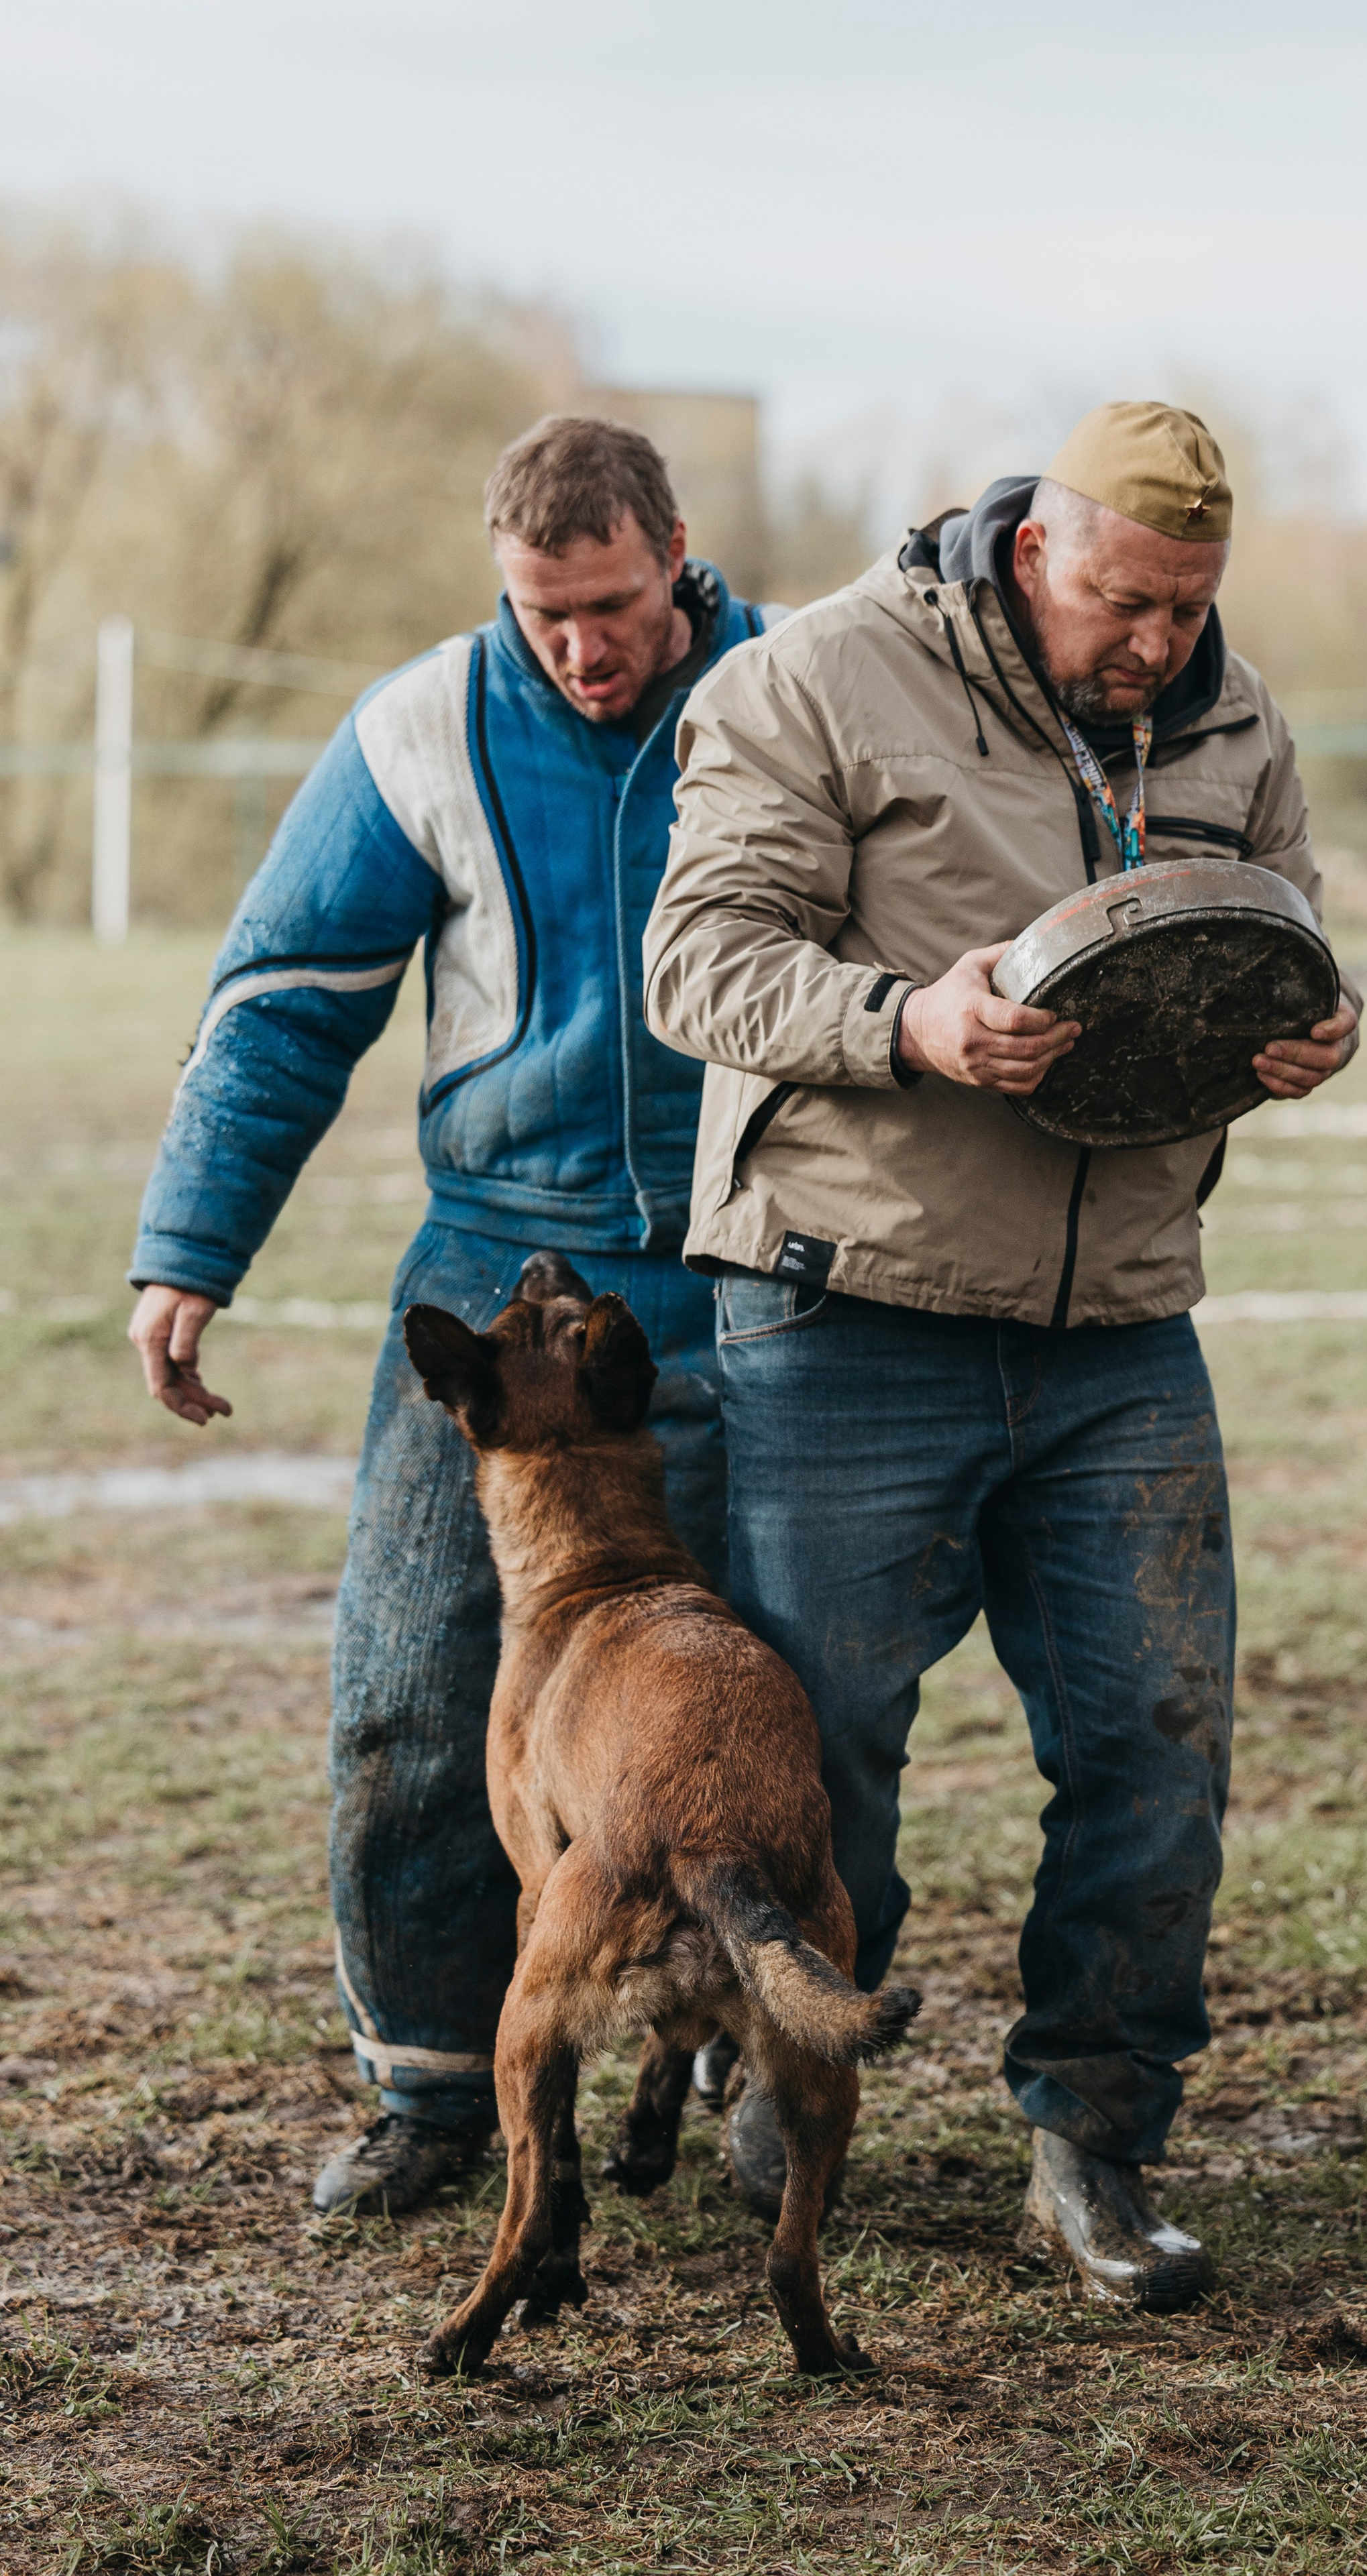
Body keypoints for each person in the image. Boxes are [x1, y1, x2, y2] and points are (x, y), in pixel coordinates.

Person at [643, 401, 1360, 2308]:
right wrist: (911, 1022)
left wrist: (1309, 1027)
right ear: (1036, 545)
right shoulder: (816, 678)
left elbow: (1283, 930)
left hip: (1122, 1325)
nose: (1160, 643)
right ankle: (784, 2071)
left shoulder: (1231, 714)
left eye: (1190, 606)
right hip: (843, 1306)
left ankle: (1095, 2145)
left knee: (1157, 1743)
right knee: (824, 1764)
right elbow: (696, 959)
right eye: (1127, 601)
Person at [127, 416, 775, 2215]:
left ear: (677, 554)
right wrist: (189, 1246)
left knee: (787, 1696)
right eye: (541, 611)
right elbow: (282, 1000)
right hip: (503, 1275)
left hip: (755, 1257)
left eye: (613, 607)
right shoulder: (416, 727)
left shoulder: (800, 686)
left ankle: (756, 2060)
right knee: (414, 1694)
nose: (580, 646)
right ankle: (428, 2083)